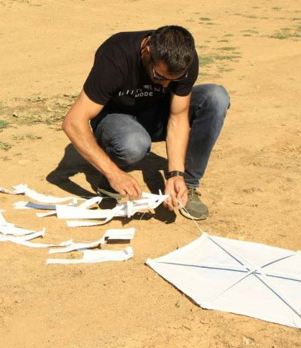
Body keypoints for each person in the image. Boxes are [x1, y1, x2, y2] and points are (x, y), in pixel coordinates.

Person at [62, 26, 230, 220]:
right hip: (117, 117)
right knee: (133, 144)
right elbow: (73, 122)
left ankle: (186, 186)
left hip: (157, 114)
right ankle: (111, 176)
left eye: (173, 80)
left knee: (215, 97)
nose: (165, 84)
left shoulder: (184, 59)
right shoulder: (116, 54)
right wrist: (113, 173)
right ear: (147, 51)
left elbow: (178, 118)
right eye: (159, 76)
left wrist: (176, 174)